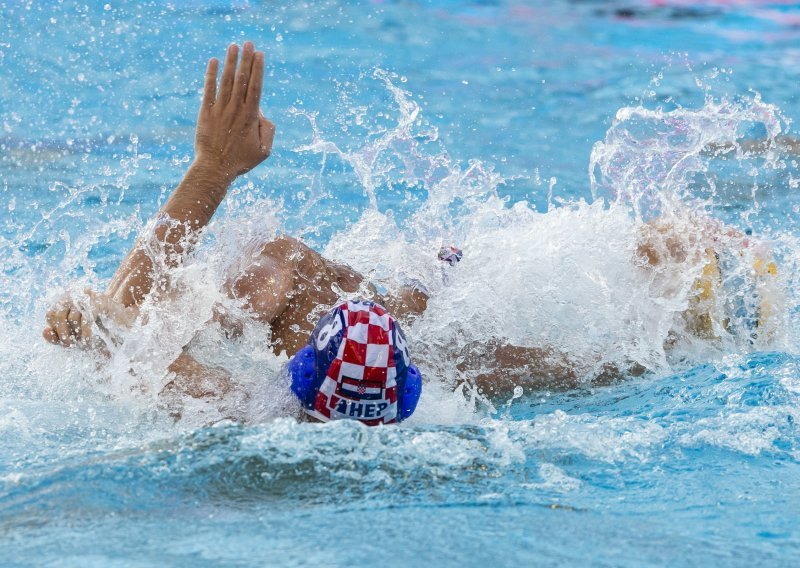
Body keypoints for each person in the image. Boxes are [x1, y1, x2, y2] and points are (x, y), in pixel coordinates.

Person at [42, 42, 782, 423]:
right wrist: (684, 318)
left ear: (298, 366)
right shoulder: (464, 377)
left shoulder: (241, 404)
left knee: (280, 262)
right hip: (441, 323)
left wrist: (210, 171)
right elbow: (605, 365)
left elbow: (122, 338)